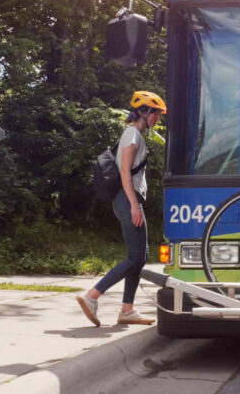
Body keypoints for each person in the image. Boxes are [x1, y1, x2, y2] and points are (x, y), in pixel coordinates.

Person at [76, 91, 166, 326]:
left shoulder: (135, 135)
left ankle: (127, 310)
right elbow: (125, 171)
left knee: (139, 257)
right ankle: (92, 296)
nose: (158, 118)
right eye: (156, 113)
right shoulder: (133, 135)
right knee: (136, 257)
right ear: (144, 113)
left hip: (128, 200)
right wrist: (134, 205)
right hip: (128, 200)